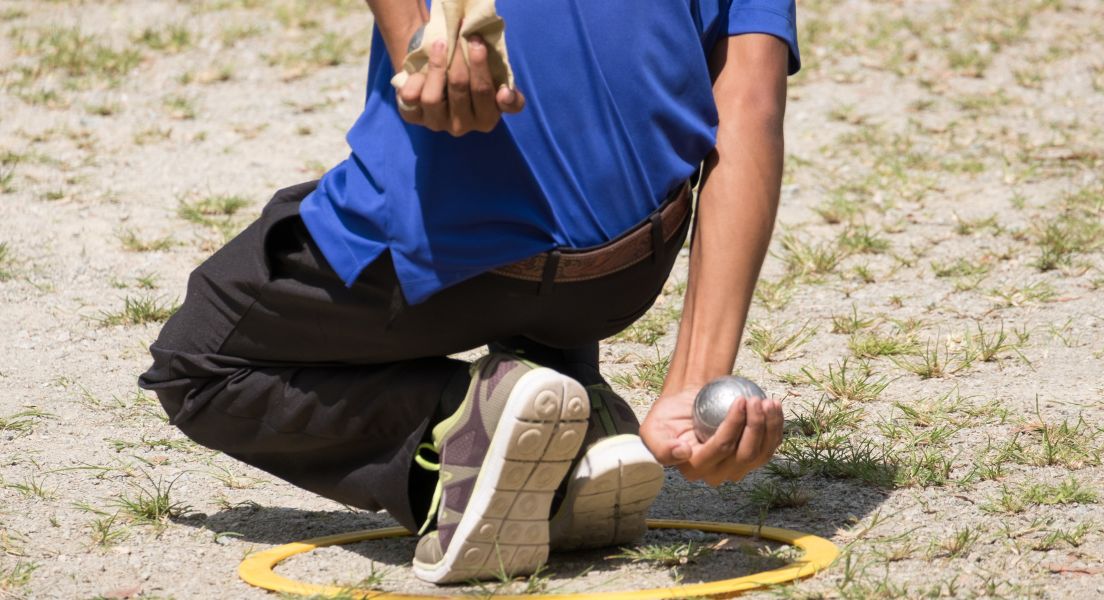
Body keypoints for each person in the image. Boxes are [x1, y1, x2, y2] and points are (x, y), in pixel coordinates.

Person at [139, 0, 800, 584]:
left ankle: (464, 437)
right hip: (623, 266)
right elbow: (750, 104)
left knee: (198, 361)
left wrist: (413, 40)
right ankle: (574, 415)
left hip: (460, 250)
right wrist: (695, 384)